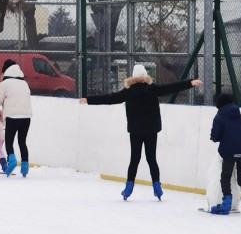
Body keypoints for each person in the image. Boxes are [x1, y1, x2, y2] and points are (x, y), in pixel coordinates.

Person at [79, 65, 201, 201]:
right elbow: (171, 87)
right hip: (151, 130)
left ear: (133, 77)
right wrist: (190, 83)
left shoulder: (127, 92)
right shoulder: (153, 89)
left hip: (136, 130)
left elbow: (109, 98)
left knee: (134, 159)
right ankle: (157, 186)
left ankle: (129, 187)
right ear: (144, 76)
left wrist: (89, 100)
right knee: (151, 159)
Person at [209, 93, 241, 214]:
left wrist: (221, 137)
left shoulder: (219, 116)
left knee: (225, 177)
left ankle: (226, 203)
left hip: (228, 151)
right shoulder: (240, 117)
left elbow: (215, 136)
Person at [0, 59, 34, 177]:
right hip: (26, 117)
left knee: (9, 141)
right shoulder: (24, 83)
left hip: (12, 117)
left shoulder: (4, 84)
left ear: (5, 72)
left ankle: (12, 160)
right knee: (22, 141)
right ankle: (25, 166)